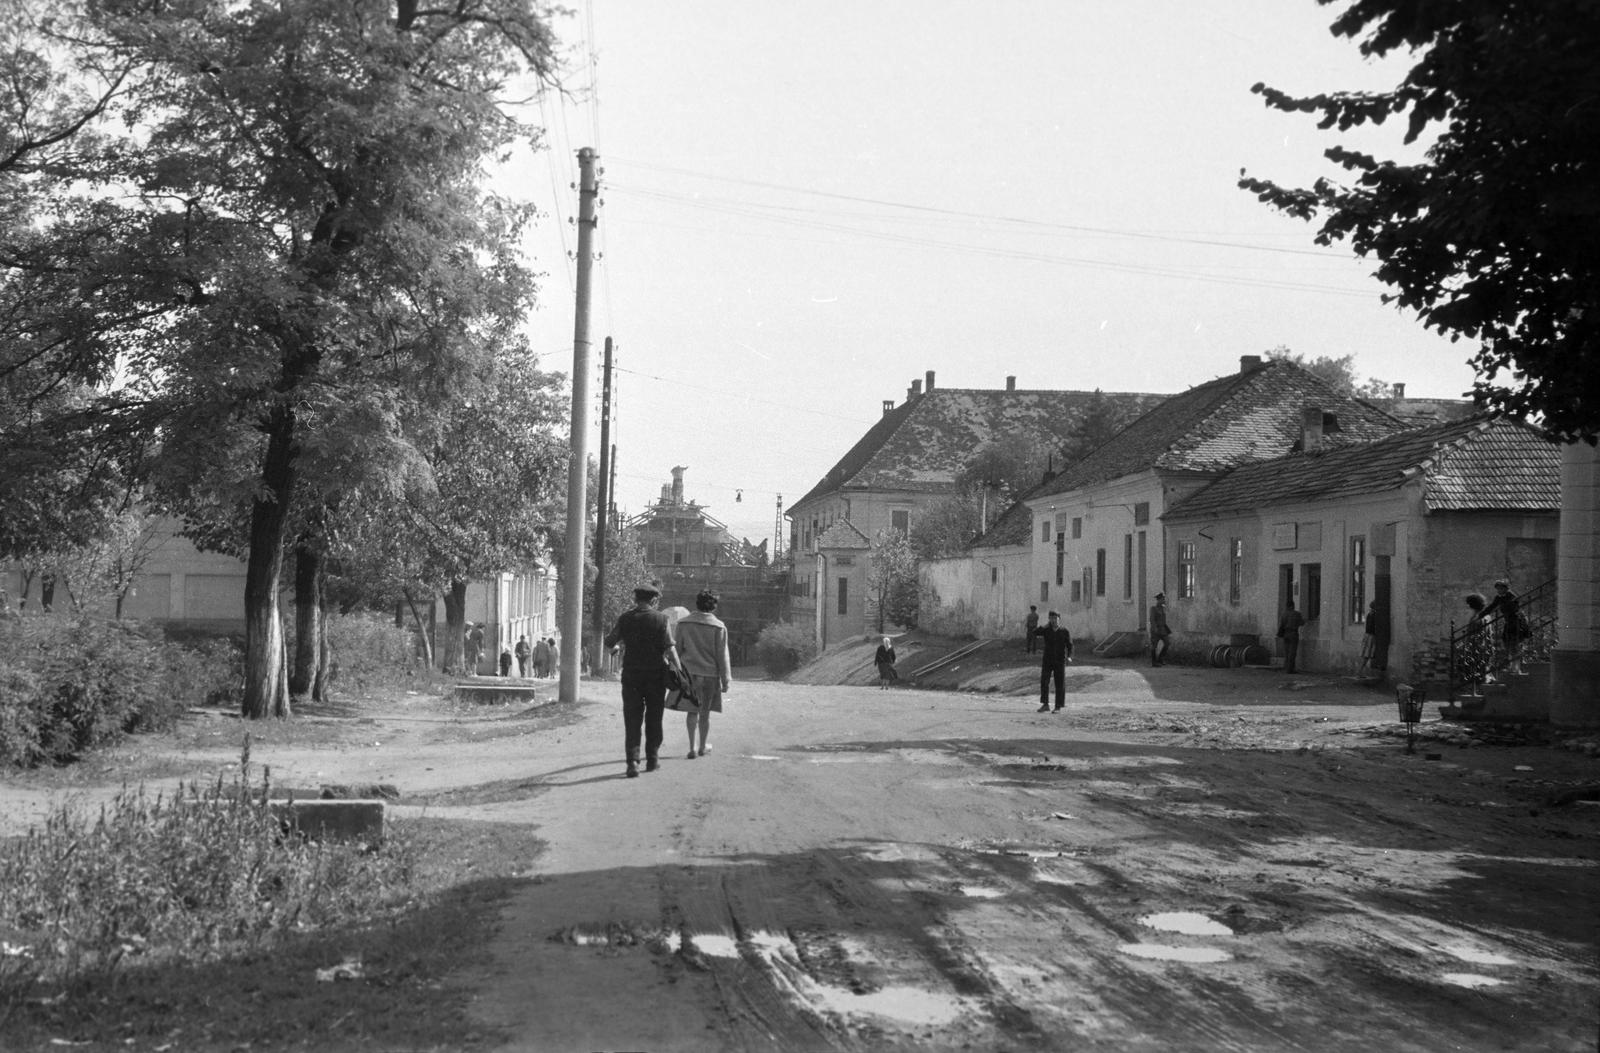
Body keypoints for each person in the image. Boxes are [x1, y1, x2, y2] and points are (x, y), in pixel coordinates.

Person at [603, 583, 682, 778]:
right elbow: (670, 649)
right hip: (655, 677)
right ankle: (652, 759)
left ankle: (633, 763)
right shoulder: (662, 619)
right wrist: (679, 670)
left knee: (632, 719)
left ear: (635, 599)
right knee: (654, 717)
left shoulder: (625, 619)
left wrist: (616, 649)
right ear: (654, 600)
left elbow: (609, 642)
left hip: (631, 676)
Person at [675, 590, 731, 759]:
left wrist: (676, 674)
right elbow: (722, 656)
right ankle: (702, 747)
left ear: (697, 603)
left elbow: (676, 650)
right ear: (714, 607)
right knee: (704, 713)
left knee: (692, 711)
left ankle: (691, 747)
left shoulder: (683, 624)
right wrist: (725, 679)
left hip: (689, 674)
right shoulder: (719, 627)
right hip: (710, 675)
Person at [1482, 579, 1527, 675]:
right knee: (1508, 644)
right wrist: (1482, 614)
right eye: (1497, 588)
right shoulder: (1499, 597)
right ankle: (1512, 666)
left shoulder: (1511, 596)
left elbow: (1515, 608)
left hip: (1516, 622)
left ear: (1505, 588)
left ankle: (1517, 668)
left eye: (1501, 588)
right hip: (1509, 622)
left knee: (1515, 645)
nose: (1499, 590)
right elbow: (1492, 606)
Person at [1033, 611, 1073, 712]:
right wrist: (1045, 626)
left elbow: (1070, 645)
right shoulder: (1047, 630)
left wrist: (1069, 656)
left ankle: (1058, 706)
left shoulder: (1064, 631)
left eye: (1055, 618)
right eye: (1051, 618)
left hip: (1060, 660)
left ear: (1059, 619)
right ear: (1049, 619)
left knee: (1059, 683)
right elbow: (1035, 632)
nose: (1054, 620)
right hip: (1047, 660)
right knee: (1044, 681)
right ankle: (1045, 704)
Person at [1461, 592, 1494, 696]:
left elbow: (1474, 633)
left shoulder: (1478, 617)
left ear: (1473, 605)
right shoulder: (1486, 616)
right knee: (1482, 668)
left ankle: (1479, 690)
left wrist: (1467, 644)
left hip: (1478, 646)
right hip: (1484, 645)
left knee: (1476, 668)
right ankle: (1482, 686)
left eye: (1469, 604)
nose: (1468, 607)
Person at [1277, 601, 1305, 674]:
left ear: (1286, 606)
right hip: (1293, 633)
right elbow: (1302, 623)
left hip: (1286, 634)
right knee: (1292, 652)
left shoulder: (1284, 614)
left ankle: (1286, 668)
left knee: (1287, 652)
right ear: (1293, 606)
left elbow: (1282, 624)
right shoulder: (1297, 614)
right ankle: (1290, 669)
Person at [1149, 592, 1171, 666]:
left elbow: (1164, 619)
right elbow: (1152, 619)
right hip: (1156, 629)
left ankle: (1161, 659)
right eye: (1162, 599)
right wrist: (1154, 628)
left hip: (1163, 629)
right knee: (1154, 646)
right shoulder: (1153, 609)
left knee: (1167, 643)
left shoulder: (1163, 608)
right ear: (1159, 600)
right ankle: (1154, 662)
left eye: (1164, 599)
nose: (1164, 600)